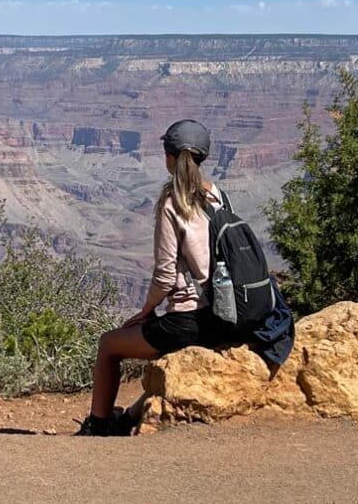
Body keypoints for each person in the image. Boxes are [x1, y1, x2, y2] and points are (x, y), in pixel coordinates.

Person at [76, 119, 239, 436]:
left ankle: (99, 424)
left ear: (169, 156)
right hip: (222, 315)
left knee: (109, 344)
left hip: (188, 323)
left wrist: (146, 311)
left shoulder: (172, 203)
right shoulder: (219, 196)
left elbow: (165, 277)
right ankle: (129, 417)